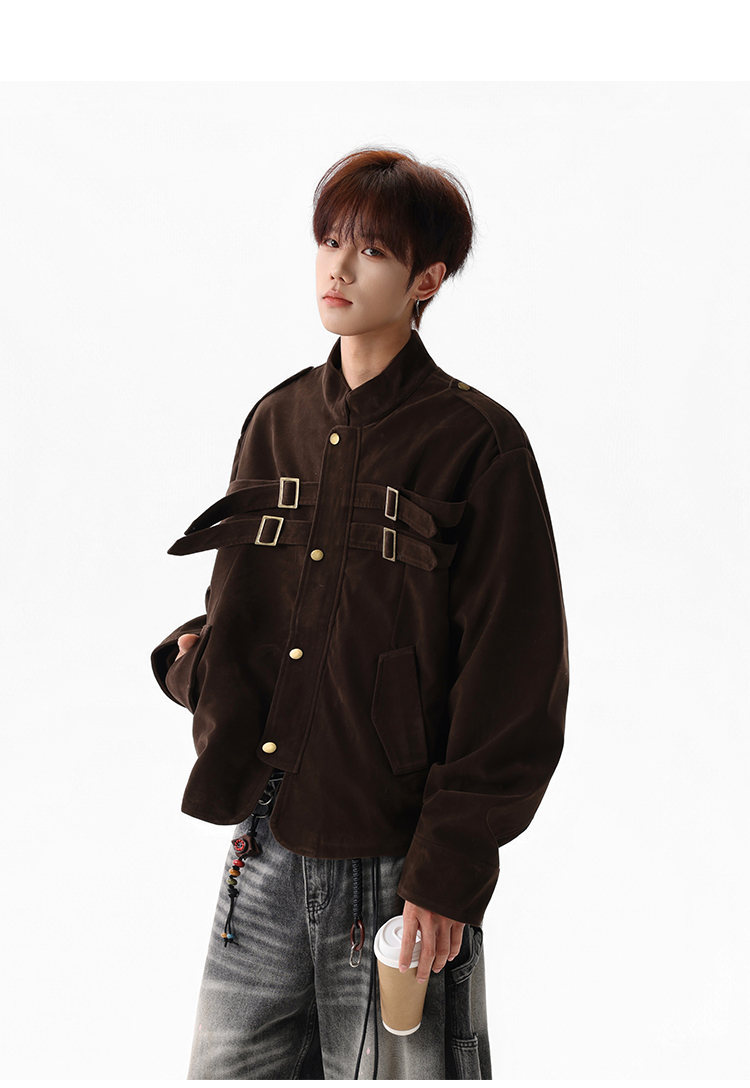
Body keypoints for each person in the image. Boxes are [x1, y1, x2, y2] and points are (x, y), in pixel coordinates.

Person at [150, 145, 570, 1079]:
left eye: (372, 250)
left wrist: (448, 872)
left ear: (427, 279)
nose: (338, 268)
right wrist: (197, 670)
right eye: (329, 241)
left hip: (396, 870)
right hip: (262, 847)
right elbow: (244, 608)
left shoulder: (479, 445)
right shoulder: (277, 420)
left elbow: (514, 681)